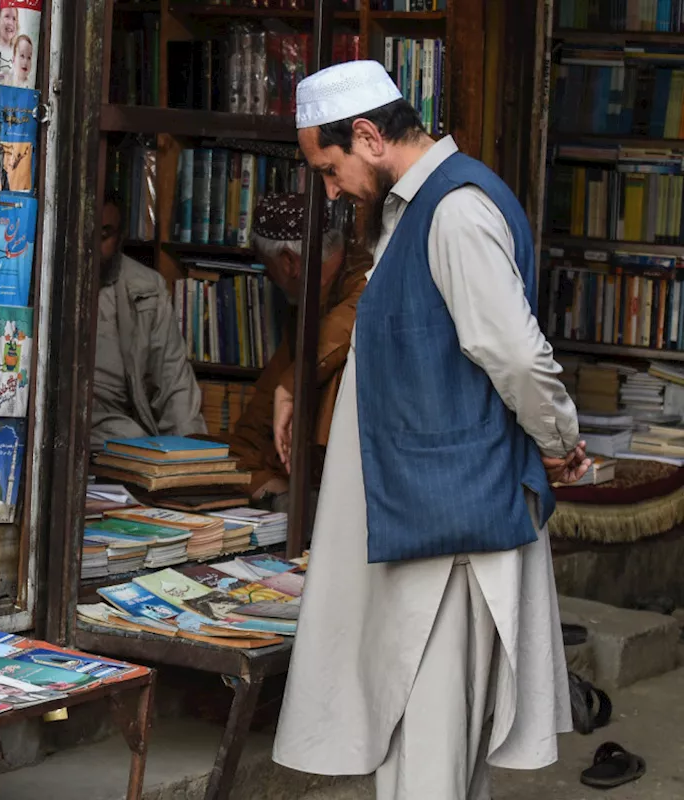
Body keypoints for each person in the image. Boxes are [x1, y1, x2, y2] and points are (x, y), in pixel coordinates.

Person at [270, 61, 590, 800]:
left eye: (330, 167)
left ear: (369, 136)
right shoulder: (411, 212)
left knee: (430, 751)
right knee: (417, 745)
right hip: (423, 516)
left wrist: (556, 438)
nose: (330, 188)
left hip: (452, 533)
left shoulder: (456, 210)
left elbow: (512, 350)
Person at [223, 193, 367, 506]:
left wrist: (293, 381)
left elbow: (351, 319)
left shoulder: (367, 283)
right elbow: (256, 426)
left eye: (268, 268)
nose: (271, 279)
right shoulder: (306, 306)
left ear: (288, 262)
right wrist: (261, 481)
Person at [89, 192, 206, 450]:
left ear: (119, 239)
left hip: (121, 434)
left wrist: (190, 460)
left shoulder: (145, 288)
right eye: (87, 232)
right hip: (68, 426)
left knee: (131, 437)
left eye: (105, 235)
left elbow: (172, 379)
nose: (93, 246)